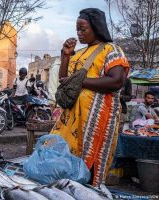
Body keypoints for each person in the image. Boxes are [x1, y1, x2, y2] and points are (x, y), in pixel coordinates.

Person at [51, 8, 129, 187]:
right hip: (71, 119)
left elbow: (116, 81)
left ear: (96, 27)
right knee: (66, 162)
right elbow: (65, 82)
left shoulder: (112, 50)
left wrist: (81, 82)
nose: (78, 33)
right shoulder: (79, 54)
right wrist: (65, 55)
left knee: (89, 167)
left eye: (83, 29)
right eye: (77, 29)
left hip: (95, 120)